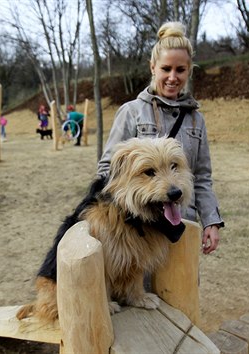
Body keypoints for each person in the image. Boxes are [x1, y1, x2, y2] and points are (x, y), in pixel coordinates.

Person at [97, 21, 224, 255]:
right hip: (138, 235)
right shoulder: (131, 112)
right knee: (140, 291)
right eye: (166, 68)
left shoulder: (196, 120)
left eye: (180, 70)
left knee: (183, 289)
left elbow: (202, 177)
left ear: (189, 71)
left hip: (182, 226)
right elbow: (107, 170)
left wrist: (211, 221)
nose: (173, 77)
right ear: (153, 67)